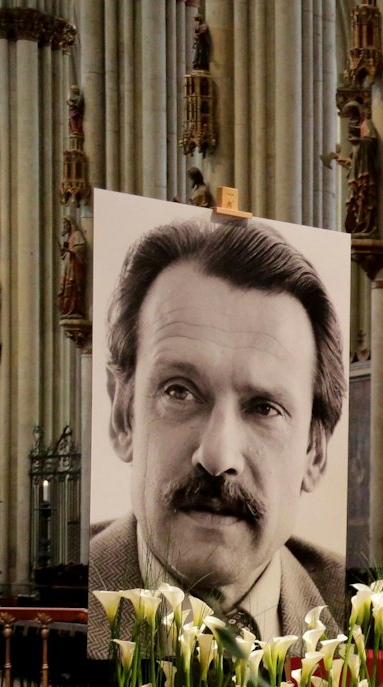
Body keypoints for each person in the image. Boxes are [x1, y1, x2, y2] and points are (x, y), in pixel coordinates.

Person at [90, 218, 345, 656]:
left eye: (264, 407)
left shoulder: (354, 612)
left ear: (314, 450)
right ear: (122, 415)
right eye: (180, 392)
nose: (217, 456)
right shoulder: (77, 601)